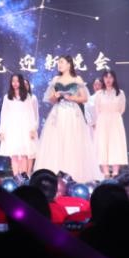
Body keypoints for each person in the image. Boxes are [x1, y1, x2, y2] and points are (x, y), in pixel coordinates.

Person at [34, 55, 100, 183]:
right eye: (58, 62)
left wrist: (72, 98)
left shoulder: (77, 79)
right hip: (58, 113)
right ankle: (54, 174)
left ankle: (74, 174)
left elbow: (85, 98)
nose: (59, 65)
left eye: (62, 62)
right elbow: (51, 100)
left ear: (69, 64)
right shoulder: (56, 79)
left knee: (72, 141)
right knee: (56, 141)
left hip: (72, 113)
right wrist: (55, 96)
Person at [0, 72, 39, 178]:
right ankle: (17, 178)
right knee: (14, 155)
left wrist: (33, 129)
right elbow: (4, 114)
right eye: (13, 81)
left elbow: (31, 114)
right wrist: (1, 131)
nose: (15, 83)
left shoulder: (27, 97)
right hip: (12, 128)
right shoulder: (7, 97)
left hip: (24, 128)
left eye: (17, 81)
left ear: (21, 82)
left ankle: (24, 179)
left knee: (24, 154)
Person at [93, 69, 127, 178]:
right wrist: (103, 118)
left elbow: (122, 109)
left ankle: (116, 172)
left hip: (115, 121)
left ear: (114, 79)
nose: (108, 80)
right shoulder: (99, 94)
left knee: (115, 144)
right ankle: (106, 172)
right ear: (103, 79)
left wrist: (113, 115)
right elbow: (97, 109)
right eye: (106, 77)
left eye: (110, 77)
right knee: (103, 144)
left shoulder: (120, 93)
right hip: (102, 121)